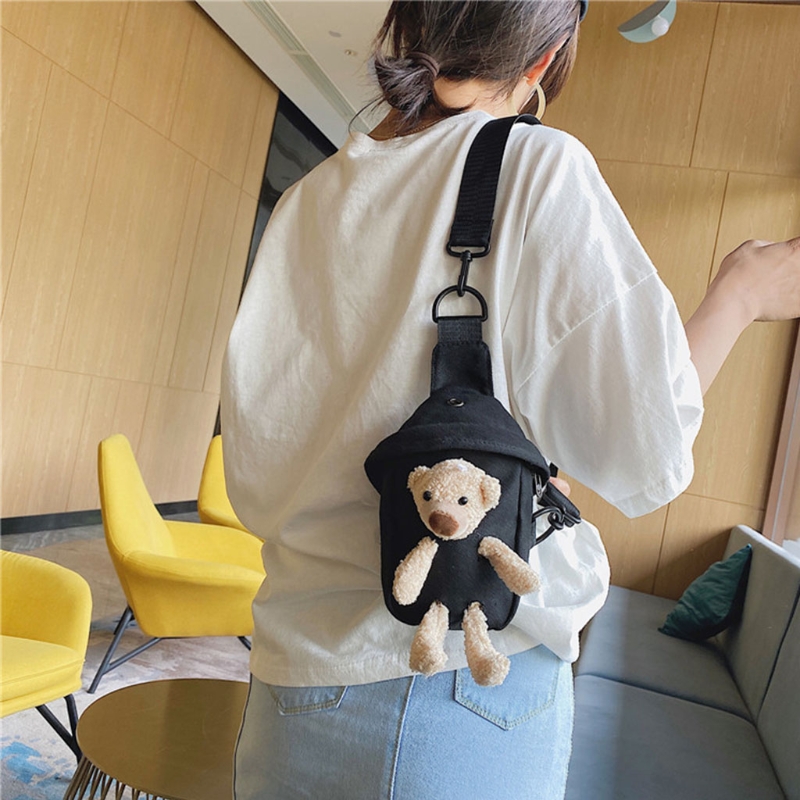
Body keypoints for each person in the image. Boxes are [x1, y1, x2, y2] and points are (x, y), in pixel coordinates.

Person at [221, 2, 800, 798]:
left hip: (289, 678)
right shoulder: (533, 166)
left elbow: (259, 469)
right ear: (544, 59)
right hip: (459, 687)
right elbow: (645, 450)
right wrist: (738, 295)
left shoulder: (306, 199)